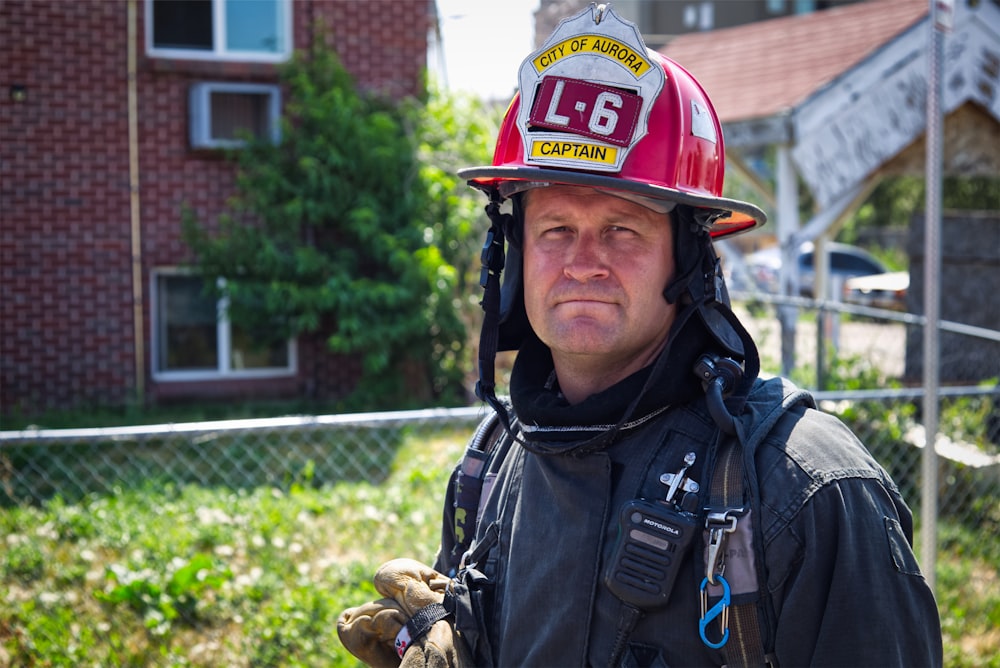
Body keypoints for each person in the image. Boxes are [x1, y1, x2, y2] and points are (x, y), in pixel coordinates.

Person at [338, 5, 943, 667]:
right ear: (515, 255)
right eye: (555, 229)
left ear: (690, 261)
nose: (582, 260)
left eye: (623, 227)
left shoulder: (806, 491)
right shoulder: (494, 466)